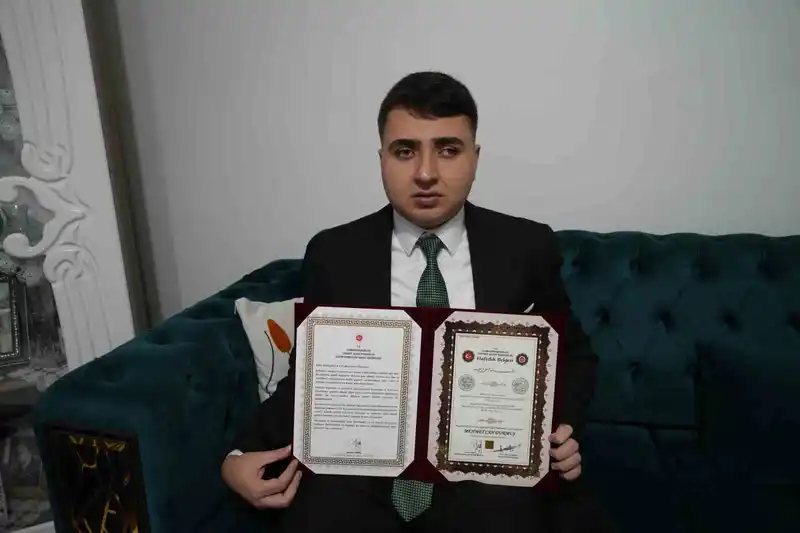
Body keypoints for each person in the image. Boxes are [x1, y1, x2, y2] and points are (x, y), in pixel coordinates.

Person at [222, 71, 614, 532]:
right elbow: (310, 379)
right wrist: (236, 457)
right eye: (405, 151)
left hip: (485, 474)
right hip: (364, 476)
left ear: (475, 157)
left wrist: (563, 428)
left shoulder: (526, 247)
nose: (426, 173)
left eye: (448, 150)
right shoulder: (335, 254)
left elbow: (572, 355)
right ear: (381, 158)